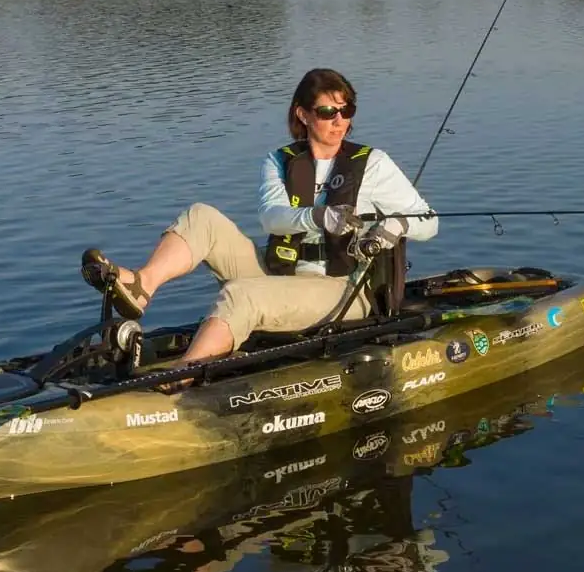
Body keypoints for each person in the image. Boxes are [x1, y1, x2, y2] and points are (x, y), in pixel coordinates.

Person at [81, 67, 441, 374]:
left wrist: (397, 225)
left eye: (347, 111)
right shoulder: (279, 160)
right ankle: (141, 286)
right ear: (303, 115)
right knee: (200, 216)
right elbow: (272, 219)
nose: (340, 121)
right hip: (280, 275)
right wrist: (320, 216)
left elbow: (429, 220)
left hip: (342, 290)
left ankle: (181, 378)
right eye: (328, 111)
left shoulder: (373, 163)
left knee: (241, 295)